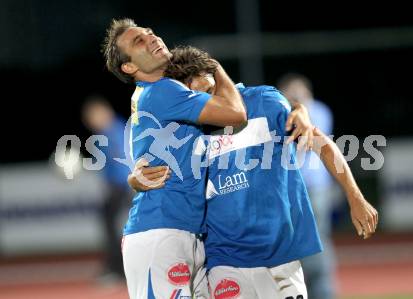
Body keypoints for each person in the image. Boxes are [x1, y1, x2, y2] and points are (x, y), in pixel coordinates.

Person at [129, 46, 378, 299]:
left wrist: (355, 197)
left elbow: (320, 143)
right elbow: (150, 153)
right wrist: (135, 176)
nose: (195, 95)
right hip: (224, 260)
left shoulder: (264, 102)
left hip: (280, 255)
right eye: (185, 90)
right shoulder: (190, 127)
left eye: (196, 83)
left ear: (212, 73)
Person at [102, 18, 248, 299]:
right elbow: (236, 113)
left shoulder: (152, 95)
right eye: (139, 41)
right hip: (162, 230)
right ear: (129, 67)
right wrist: (213, 66)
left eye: (150, 33)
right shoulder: (164, 92)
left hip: (182, 230)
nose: (152, 38)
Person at [278, 73, 336, 299]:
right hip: (297, 187)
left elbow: (305, 137)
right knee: (298, 241)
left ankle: (321, 292)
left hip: (311, 186)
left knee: (316, 241)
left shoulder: (317, 111)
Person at [81, 96, 131, 282]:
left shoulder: (113, 130)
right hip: (124, 185)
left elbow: (119, 159)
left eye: (92, 117)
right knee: (113, 224)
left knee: (113, 225)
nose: (90, 123)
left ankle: (117, 268)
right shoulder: (114, 129)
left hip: (123, 186)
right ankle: (117, 267)